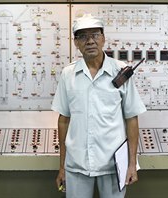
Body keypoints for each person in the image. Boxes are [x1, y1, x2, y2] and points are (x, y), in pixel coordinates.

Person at [51, 13, 146, 198]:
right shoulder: (68, 75)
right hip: (76, 165)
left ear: (103, 38)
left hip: (113, 164)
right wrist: (62, 166)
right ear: (76, 43)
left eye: (95, 35)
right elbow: (63, 121)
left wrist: (132, 164)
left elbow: (132, 119)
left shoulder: (120, 72)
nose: (90, 41)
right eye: (83, 36)